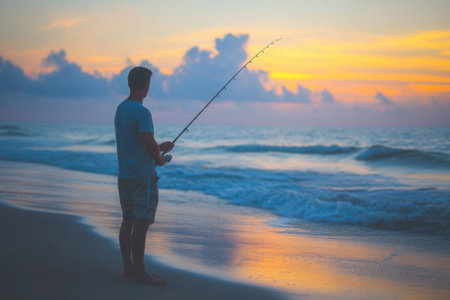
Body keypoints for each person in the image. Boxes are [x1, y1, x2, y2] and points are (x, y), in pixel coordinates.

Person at [114, 66, 173, 286]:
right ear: (145, 85)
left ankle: (129, 269)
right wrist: (160, 158)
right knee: (141, 224)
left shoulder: (121, 109)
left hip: (125, 175)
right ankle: (141, 273)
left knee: (128, 220)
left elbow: (138, 143)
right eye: (149, 83)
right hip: (142, 177)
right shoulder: (142, 112)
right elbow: (149, 146)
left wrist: (158, 148)